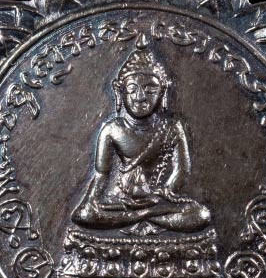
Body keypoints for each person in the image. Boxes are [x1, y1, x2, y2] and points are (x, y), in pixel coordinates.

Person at [72, 46, 211, 233]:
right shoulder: (112, 129)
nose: (140, 97)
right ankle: (146, 215)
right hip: (121, 199)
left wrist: (165, 192)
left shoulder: (172, 127)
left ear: (162, 92)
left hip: (157, 199)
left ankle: (142, 216)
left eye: (150, 90)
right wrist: (92, 201)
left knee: (201, 214)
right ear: (120, 91)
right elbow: (101, 175)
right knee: (85, 214)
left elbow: (181, 170)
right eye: (132, 89)